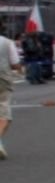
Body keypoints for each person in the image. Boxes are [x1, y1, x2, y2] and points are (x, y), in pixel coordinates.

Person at [0, 28, 20, 158]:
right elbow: (14, 63)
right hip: (2, 79)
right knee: (4, 114)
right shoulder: (7, 42)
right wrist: (20, 70)